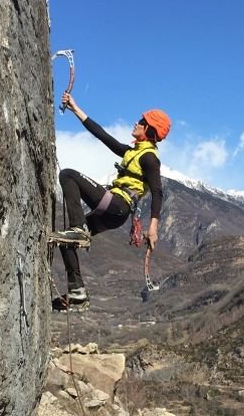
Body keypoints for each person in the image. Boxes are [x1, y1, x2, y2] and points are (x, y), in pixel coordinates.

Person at [51, 92, 171, 307]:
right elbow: (102, 135)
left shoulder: (149, 158)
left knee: (68, 175)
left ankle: (79, 230)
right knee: (65, 240)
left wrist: (153, 228)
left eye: (142, 122)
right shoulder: (131, 152)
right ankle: (77, 291)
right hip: (116, 213)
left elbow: (158, 192)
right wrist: (75, 107)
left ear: (149, 130)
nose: (137, 123)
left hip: (118, 205)